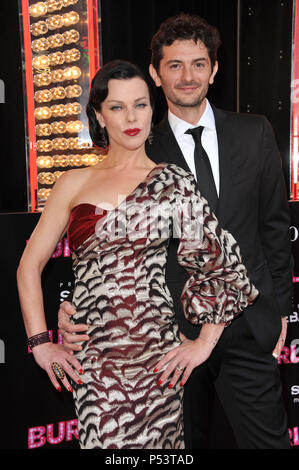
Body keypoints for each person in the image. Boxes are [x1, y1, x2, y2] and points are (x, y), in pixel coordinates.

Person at [58, 13, 293, 449]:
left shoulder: (254, 133)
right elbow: (104, 241)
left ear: (214, 69)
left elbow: (275, 231)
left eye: (199, 63)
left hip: (248, 327)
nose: (188, 77)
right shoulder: (140, 145)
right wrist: (69, 302)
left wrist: (280, 311)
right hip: (169, 338)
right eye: (174, 65)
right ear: (155, 73)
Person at [17, 59, 257, 449]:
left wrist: (203, 343)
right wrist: (40, 342)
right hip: (95, 359)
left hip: (157, 360)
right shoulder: (72, 183)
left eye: (141, 104)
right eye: (117, 106)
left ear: (152, 108)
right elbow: (29, 265)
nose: (132, 117)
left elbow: (221, 264)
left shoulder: (174, 182)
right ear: (98, 114)